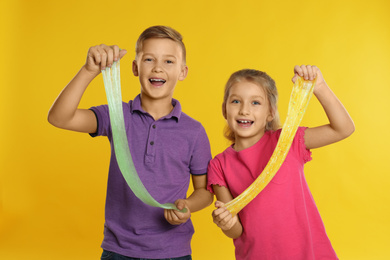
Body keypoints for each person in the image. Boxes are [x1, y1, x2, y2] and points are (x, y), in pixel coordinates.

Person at [48, 25, 213, 260]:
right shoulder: (117, 115)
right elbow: (59, 118)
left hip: (172, 252)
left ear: (182, 72)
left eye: (168, 61)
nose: (158, 67)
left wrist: (187, 206)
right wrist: (88, 71)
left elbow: (204, 191)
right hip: (118, 250)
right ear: (135, 68)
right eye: (149, 59)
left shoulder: (194, 131)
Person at [208, 65, 355, 260]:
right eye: (236, 101)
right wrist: (227, 222)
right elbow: (235, 231)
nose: (244, 110)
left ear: (270, 113)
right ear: (224, 110)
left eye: (255, 103)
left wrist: (319, 86)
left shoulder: (288, 142)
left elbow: (343, 128)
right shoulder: (218, 165)